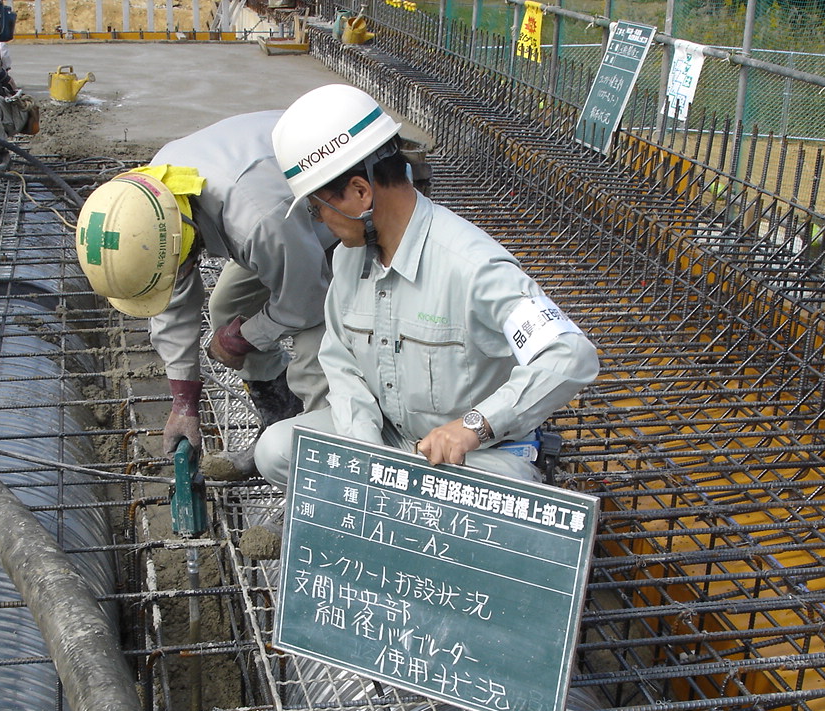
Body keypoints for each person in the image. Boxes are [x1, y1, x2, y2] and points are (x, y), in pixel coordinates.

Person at [255, 84, 599, 495]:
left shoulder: (472, 265)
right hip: (390, 440)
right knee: (276, 449)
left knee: (494, 494)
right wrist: (363, 447)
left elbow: (572, 355)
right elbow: (341, 359)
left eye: (318, 208)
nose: (320, 222)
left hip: (468, 459)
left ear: (361, 193)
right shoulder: (349, 259)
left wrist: (473, 426)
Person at [75, 112, 334, 478]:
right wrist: (184, 403)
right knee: (227, 305)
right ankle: (280, 421)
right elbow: (173, 297)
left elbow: (306, 301)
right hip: (287, 229)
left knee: (314, 356)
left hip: (347, 220)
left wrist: (246, 336)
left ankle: (314, 479)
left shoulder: (256, 219)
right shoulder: (155, 204)